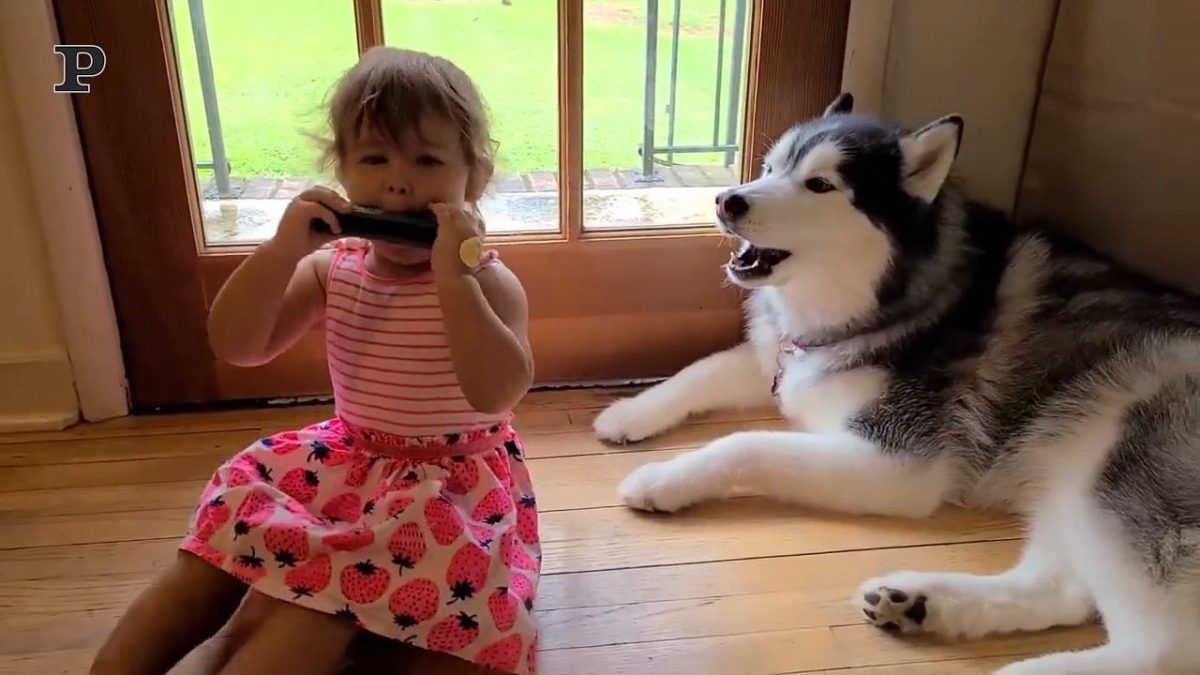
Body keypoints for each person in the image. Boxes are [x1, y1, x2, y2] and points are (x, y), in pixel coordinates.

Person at [91, 46, 540, 675]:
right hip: (343, 467)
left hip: (449, 491)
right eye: (374, 158)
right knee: (202, 563)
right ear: (343, 171)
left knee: (318, 616)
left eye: (428, 161)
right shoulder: (334, 270)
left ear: (477, 178)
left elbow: (496, 390)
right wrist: (281, 251)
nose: (398, 181)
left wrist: (454, 280)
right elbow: (240, 345)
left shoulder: (488, 284)